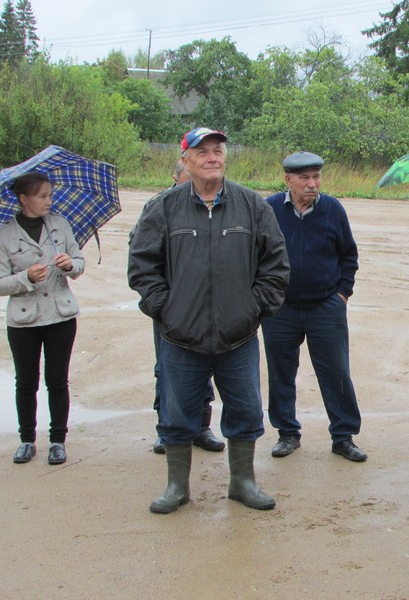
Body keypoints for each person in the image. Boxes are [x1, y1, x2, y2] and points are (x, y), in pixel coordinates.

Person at [128, 127, 290, 514]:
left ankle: (243, 482)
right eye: (202, 152)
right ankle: (176, 487)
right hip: (181, 338)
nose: (212, 157)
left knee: (246, 410)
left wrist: (253, 308)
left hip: (238, 337)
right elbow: (142, 266)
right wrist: (167, 309)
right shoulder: (163, 208)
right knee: (177, 413)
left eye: (218, 150)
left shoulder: (253, 206)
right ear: (185, 161)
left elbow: (276, 265)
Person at [262, 151, 366, 462]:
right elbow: (256, 254)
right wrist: (265, 296)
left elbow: (349, 255)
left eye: (316, 177)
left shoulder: (332, 209)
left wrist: (342, 294)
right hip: (281, 308)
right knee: (281, 373)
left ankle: (343, 436)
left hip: (325, 307)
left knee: (336, 373)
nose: (312, 184)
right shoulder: (268, 210)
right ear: (288, 180)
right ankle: (287, 433)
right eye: (304, 178)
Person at [0, 172, 85, 465]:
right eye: (42, 196)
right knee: (26, 382)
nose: (48, 201)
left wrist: (71, 265)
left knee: (57, 380)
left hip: (61, 316)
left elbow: (79, 262)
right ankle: (27, 440)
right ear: (23, 199)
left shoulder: (60, 225)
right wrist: (25, 277)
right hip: (23, 322)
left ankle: (58, 440)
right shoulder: (3, 235)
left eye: (50, 195)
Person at [150, 159, 224, 455]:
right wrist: (161, 304)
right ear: (177, 177)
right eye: (185, 181)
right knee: (167, 370)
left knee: (206, 368)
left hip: (210, 307)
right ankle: (166, 428)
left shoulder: (214, 205)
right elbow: (141, 254)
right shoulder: (159, 207)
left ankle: (202, 427)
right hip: (172, 310)